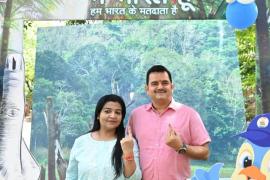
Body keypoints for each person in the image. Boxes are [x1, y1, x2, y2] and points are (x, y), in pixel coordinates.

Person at [128, 65, 211, 180]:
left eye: (165, 83)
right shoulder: (136, 115)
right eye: (154, 83)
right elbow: (129, 149)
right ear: (147, 89)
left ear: (172, 86)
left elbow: (205, 153)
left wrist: (181, 147)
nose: (160, 87)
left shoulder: (189, 114)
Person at [66, 94, 142, 180]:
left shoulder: (128, 142)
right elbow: (71, 176)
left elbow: (135, 178)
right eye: (107, 111)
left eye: (117, 112)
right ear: (98, 115)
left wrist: (128, 152)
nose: (113, 116)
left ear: (122, 117)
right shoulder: (80, 142)